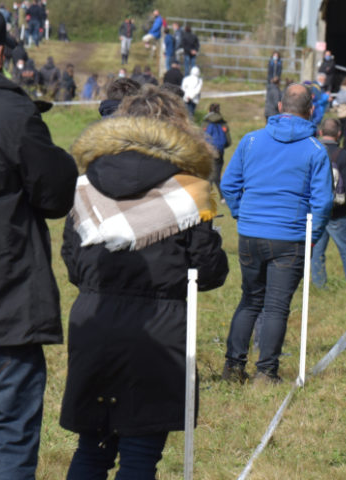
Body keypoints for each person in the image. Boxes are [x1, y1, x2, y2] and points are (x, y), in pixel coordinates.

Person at [59, 85, 228, 479]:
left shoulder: (85, 186)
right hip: (158, 330)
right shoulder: (191, 191)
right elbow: (207, 270)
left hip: (94, 322)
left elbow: (72, 262)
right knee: (139, 455)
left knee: (92, 450)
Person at [0, 11, 77, 475]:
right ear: (0, 53)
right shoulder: (14, 113)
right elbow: (56, 196)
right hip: (3, 307)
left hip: (3, 307)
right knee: (7, 435)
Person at [220, 83, 332, 384]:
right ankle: (266, 372)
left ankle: (233, 367)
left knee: (250, 300)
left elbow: (228, 185)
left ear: (280, 107)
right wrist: (312, 237)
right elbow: (323, 202)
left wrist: (242, 214)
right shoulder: (316, 150)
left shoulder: (251, 140)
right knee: (276, 307)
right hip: (289, 238)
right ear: (311, 111)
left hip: (251, 235)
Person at [311, 118, 346, 293]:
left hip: (316, 211)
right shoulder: (344, 155)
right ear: (339, 134)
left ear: (320, 132)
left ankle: (319, 286)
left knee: (316, 252)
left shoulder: (312, 152)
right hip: (339, 212)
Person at [203, 103, 231, 197]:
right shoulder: (222, 122)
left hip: (209, 150)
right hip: (220, 150)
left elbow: (202, 137)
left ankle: (209, 195)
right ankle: (221, 196)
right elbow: (228, 141)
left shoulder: (206, 122)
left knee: (211, 175)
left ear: (209, 110)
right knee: (216, 174)